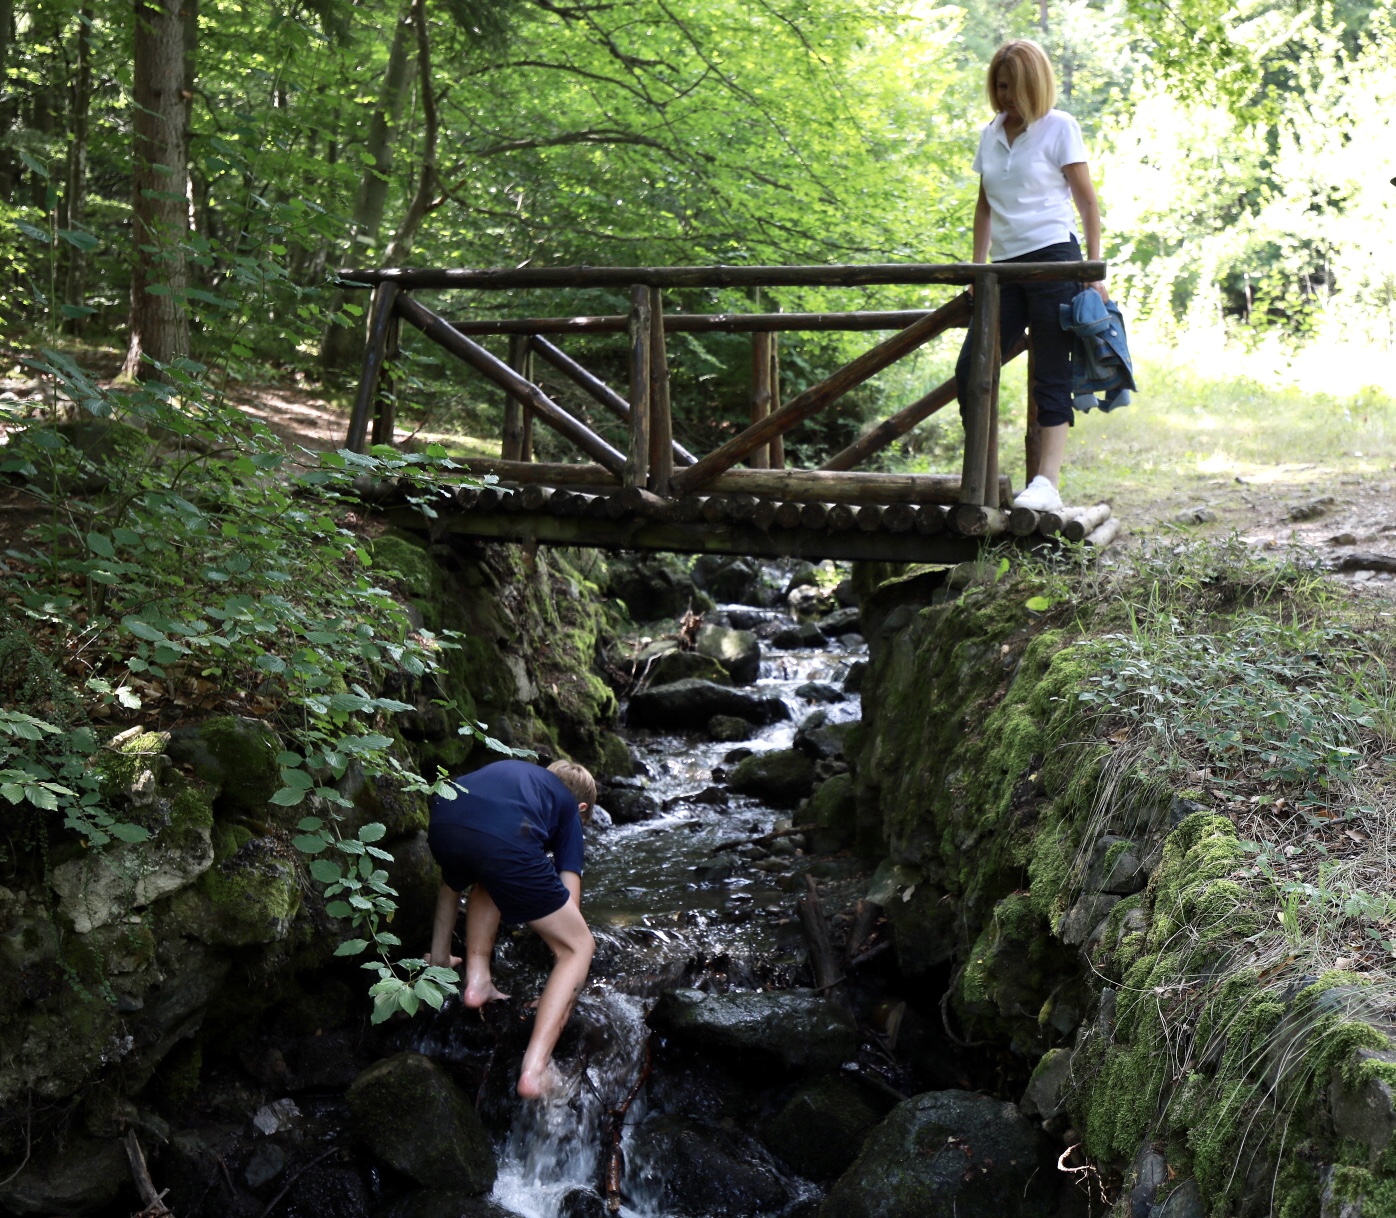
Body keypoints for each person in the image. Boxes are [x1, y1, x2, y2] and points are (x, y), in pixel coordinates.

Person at [954, 38, 1109, 514]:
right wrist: (979, 269)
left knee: (1050, 373)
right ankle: (983, 476)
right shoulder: (991, 132)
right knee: (971, 371)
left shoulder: (1059, 127)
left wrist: (1094, 270)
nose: (1004, 96)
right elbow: (984, 206)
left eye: (1012, 87)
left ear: (1033, 84)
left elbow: (1086, 202)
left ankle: (1046, 483)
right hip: (1003, 270)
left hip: (1054, 261)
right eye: (998, 87)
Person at [424, 757, 597, 1099]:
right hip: (504, 842)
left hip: (443, 821)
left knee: (487, 876)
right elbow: (569, 904)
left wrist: (440, 958)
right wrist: (558, 976)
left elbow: (449, 889)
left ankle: (473, 981)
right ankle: (535, 1071)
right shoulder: (567, 810)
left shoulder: (518, 778)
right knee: (578, 946)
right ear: (581, 807)